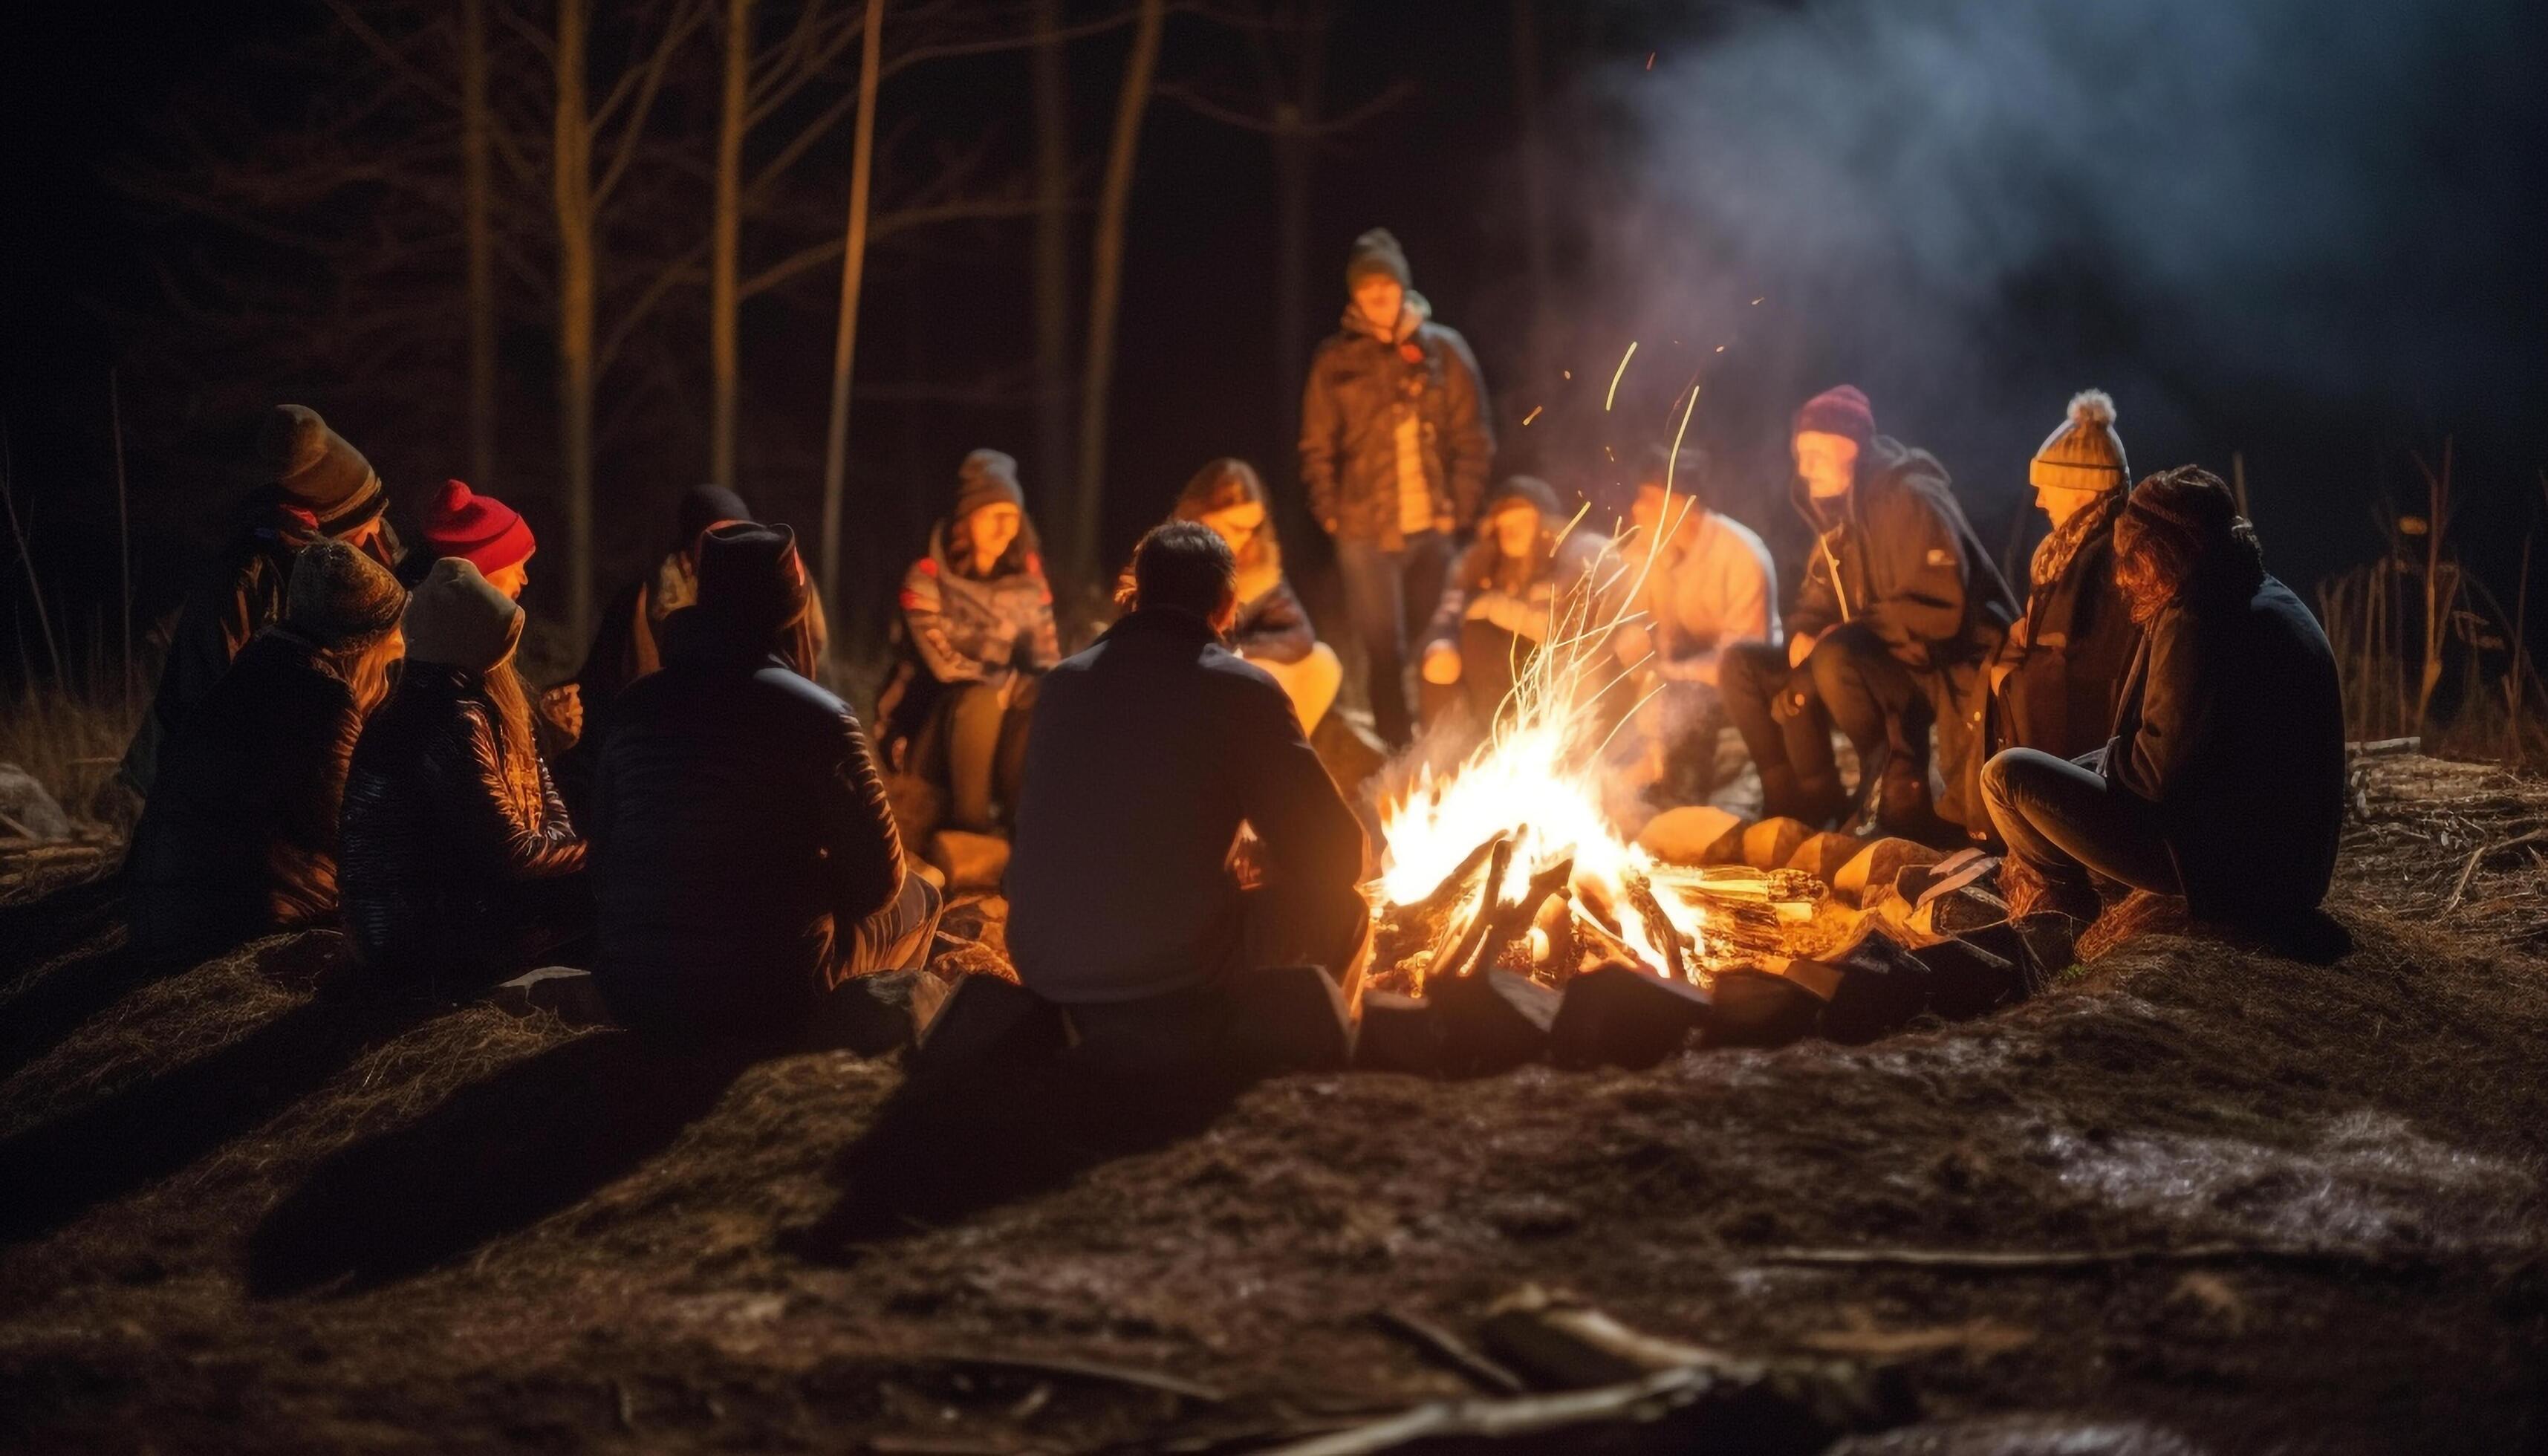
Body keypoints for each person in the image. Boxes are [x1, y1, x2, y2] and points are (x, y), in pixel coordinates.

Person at [1008, 521, 1369, 1074]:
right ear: (1227, 607)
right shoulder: (1240, 688)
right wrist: (1275, 860)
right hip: (1170, 972)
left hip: (1046, 964)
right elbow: (1339, 855)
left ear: (1135, 594)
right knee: (1340, 909)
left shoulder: (1063, 684)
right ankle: (1291, 1063)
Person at [590, 523, 941, 1040]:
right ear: (791, 608)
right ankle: (859, 1039)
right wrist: (807, 888)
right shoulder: (818, 715)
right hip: (767, 987)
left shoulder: (634, 708)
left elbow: (603, 860)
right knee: (923, 895)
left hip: (634, 985)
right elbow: (881, 882)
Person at [1981, 466, 2344, 941]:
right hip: (2287, 867)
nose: (2123, 576)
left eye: (2129, 558)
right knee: (2069, 772)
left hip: (2231, 872)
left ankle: (2064, 927)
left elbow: (2155, 777)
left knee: (2006, 777)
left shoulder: (2196, 617)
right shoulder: (2258, 591)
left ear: (2157, 553)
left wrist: (2090, 775)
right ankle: (2087, 898)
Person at [1719, 386, 2018, 839]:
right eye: (1801, 455)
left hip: (1945, 664)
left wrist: (1838, 637)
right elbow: (1814, 604)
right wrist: (1806, 633)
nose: (1804, 468)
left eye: (1815, 453)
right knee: (1744, 665)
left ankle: (1892, 791)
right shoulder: (1843, 515)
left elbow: (1942, 611)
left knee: (1835, 657)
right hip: (1884, 653)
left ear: (1851, 447)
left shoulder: (1909, 497)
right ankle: (1796, 802)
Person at [124, 539, 406, 963]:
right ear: (360, 645)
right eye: (387, 659)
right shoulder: (320, 698)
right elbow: (350, 829)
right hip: (230, 914)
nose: (386, 679)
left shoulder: (263, 664)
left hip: (167, 908)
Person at [117, 404, 399, 799]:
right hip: (200, 789)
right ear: (325, 532)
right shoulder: (245, 579)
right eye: (365, 525)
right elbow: (214, 708)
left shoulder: (367, 550)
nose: (376, 533)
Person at [341, 559, 588, 987]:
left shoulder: (449, 704)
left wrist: (571, 848)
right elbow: (514, 854)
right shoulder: (449, 720)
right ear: (473, 644)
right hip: (419, 943)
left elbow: (549, 805)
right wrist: (606, 854)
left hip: (415, 929)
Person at [1299, 227, 1495, 747]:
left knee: (1436, 642)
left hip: (1433, 526)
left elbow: (1473, 435)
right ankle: (1395, 752)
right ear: (1355, 296)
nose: (1378, 296)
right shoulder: (1336, 360)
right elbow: (1316, 446)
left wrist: (1461, 506)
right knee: (1383, 647)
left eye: (1386, 285)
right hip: (1364, 531)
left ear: (1403, 288)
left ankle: (1444, 744)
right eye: (1367, 288)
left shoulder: (1444, 351)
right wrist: (1332, 514)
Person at [559, 484, 823, 814]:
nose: (729, 550)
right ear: (686, 557)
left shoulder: (772, 602)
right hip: (659, 776)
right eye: (714, 540)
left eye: (738, 535)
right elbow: (600, 694)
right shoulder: (643, 606)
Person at [877, 449, 1060, 834]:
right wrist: (1005, 684)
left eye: (1012, 518)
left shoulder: (1027, 587)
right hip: (926, 739)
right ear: (966, 519)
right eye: (994, 516)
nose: (1004, 529)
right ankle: (970, 827)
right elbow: (944, 666)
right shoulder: (927, 580)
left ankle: (1022, 827)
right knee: (980, 700)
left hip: (999, 732)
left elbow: (1049, 661)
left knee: (1038, 695)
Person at [1122, 458, 1344, 733]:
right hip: (1182, 681)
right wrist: (1225, 661)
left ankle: (1277, 761)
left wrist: (1245, 655)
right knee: (1250, 683)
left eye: (1252, 528)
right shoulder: (1167, 558)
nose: (1243, 538)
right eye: (1234, 526)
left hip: (1232, 671)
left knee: (1322, 664)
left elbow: (1299, 635)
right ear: (1203, 512)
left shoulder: (1258, 565)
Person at [1987, 391, 2142, 767]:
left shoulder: (2104, 560)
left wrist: (2008, 681)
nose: (2040, 501)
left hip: (2084, 761)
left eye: (2049, 487)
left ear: (2084, 490)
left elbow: (2078, 676)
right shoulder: (2074, 551)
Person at [406, 477, 585, 753]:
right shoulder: (446, 663)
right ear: (484, 568)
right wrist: (544, 737)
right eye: (518, 565)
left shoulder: (475, 647)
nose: (524, 579)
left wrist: (544, 728)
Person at [1418, 475, 1613, 727]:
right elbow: (1447, 617)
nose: (1512, 531)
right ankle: (1446, 758)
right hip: (1484, 676)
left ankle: (1508, 743)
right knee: (1445, 659)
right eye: (1504, 524)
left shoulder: (1568, 566)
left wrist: (1494, 606)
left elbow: (1564, 635)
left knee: (1486, 632)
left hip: (1544, 677)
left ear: (1544, 525)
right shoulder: (1479, 565)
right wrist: (1441, 644)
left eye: (1523, 521)